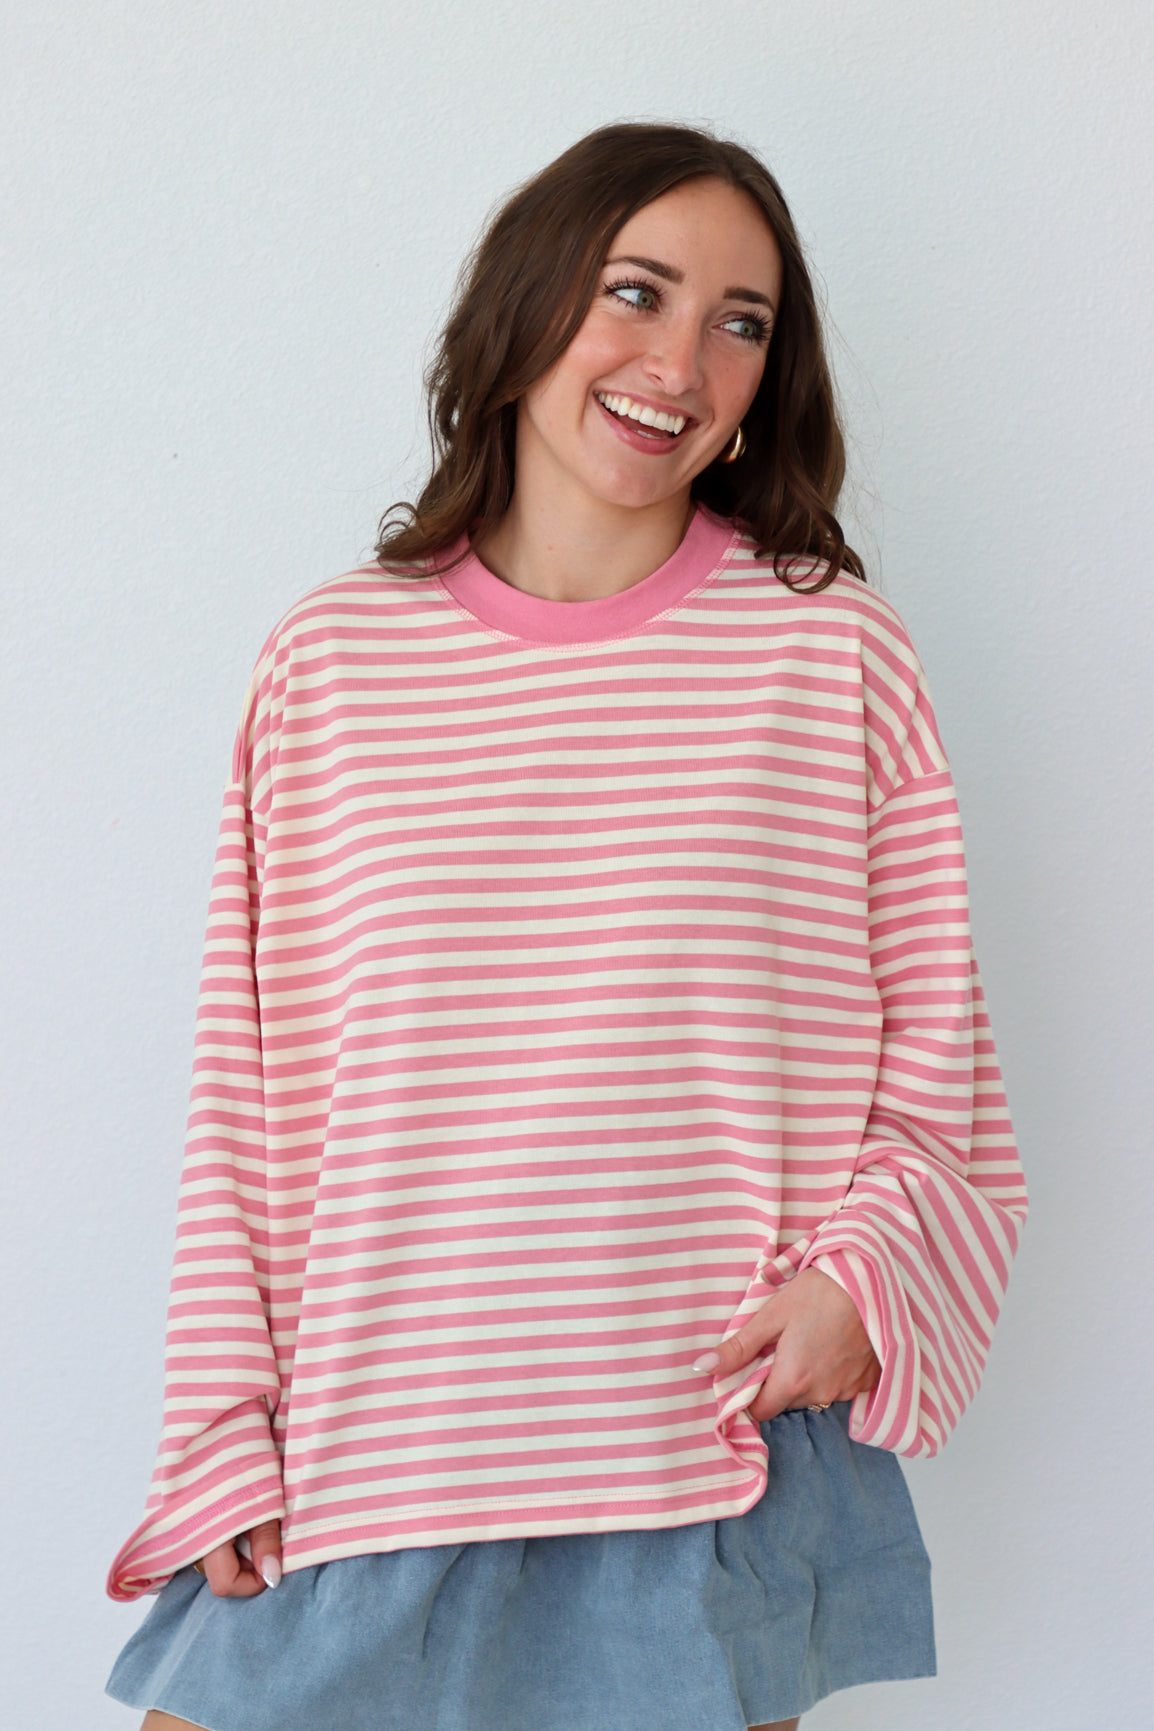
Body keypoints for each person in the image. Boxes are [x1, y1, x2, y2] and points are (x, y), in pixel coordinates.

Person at [104, 122, 1028, 1731]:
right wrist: (217, 1431)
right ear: (527, 308)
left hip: (696, 1456)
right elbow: (248, 1096)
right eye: (636, 291)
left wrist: (859, 1287)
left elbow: (938, 1066)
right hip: (371, 1438)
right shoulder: (331, 663)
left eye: (740, 322)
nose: (681, 358)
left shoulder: (832, 660)